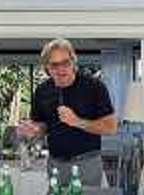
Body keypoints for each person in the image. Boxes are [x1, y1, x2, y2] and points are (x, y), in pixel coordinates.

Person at [18, 38, 118, 186]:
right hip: (55, 164)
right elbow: (42, 126)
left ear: (73, 62)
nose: (61, 69)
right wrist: (35, 130)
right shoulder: (42, 91)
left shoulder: (94, 86)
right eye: (54, 65)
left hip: (87, 164)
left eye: (65, 63)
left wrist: (77, 122)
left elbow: (111, 127)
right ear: (47, 67)